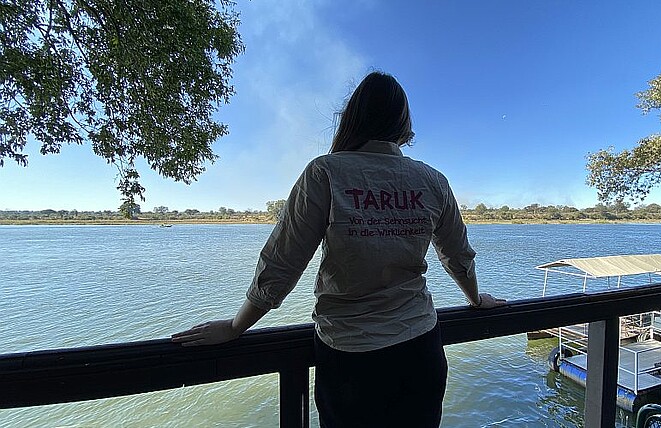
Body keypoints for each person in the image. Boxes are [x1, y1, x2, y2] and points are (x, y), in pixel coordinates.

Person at [172, 71, 507, 428]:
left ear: (353, 116)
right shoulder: (432, 180)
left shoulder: (325, 173)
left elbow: (281, 264)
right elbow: (457, 257)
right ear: (403, 121)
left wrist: (236, 327)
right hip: (420, 350)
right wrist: (475, 299)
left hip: (350, 360)